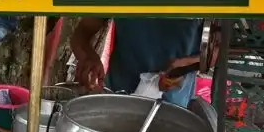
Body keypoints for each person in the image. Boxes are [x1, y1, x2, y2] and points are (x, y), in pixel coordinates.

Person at [70, 17, 205, 107]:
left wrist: (188, 63)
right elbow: (83, 32)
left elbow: (220, 50)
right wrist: (89, 57)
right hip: (117, 99)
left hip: (175, 107)